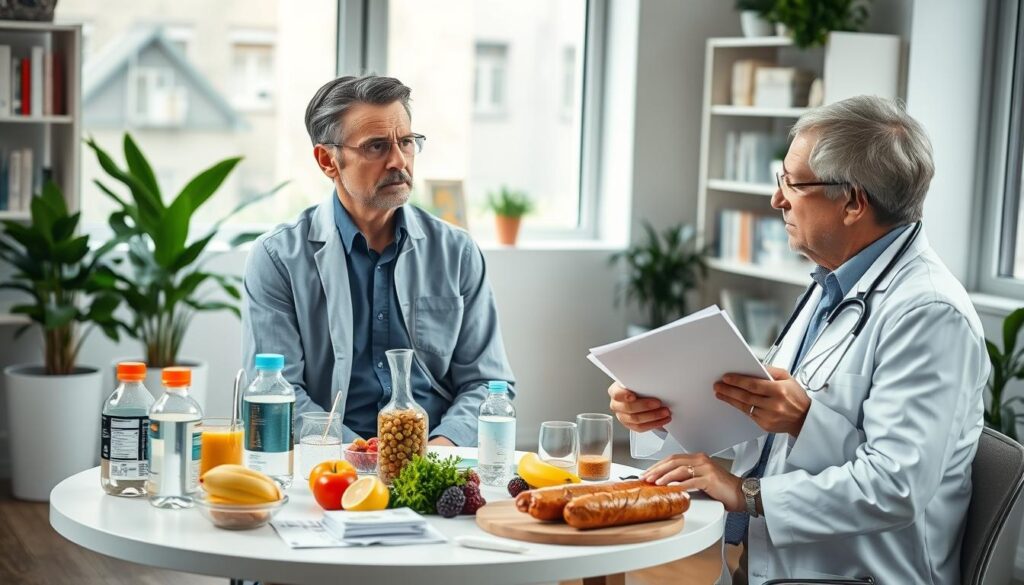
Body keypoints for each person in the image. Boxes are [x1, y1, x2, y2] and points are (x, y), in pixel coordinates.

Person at [608, 96, 987, 584]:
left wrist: (751, 486)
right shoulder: (832, 284)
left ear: (853, 202)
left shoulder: (930, 314)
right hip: (773, 565)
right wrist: (659, 408)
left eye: (793, 182)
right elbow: (768, 425)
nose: (777, 199)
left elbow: (895, 486)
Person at [242, 75, 515, 446]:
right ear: (327, 160)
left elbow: (487, 382)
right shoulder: (278, 258)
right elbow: (277, 392)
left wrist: (443, 446)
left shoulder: (457, 252)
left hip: (436, 460)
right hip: (331, 461)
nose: (398, 161)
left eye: (406, 142)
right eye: (376, 147)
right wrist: (355, 452)